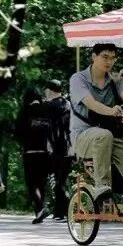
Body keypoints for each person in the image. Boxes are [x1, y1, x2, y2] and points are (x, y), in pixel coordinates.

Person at [69, 43, 123, 230]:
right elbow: (90, 103)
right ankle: (101, 186)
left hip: (112, 137)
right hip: (83, 137)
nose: (109, 61)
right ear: (93, 56)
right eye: (105, 56)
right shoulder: (78, 79)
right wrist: (112, 110)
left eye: (112, 58)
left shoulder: (115, 80)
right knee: (103, 135)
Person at [16, 86, 52, 223]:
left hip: (30, 152)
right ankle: (39, 213)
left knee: (32, 184)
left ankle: (40, 208)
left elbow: (18, 132)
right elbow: (51, 131)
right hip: (44, 153)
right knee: (41, 183)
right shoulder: (46, 110)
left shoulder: (24, 111)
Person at [44, 78, 72, 220]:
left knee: (58, 180)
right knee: (62, 179)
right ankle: (59, 212)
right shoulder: (69, 104)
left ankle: (67, 211)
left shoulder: (48, 107)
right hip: (69, 146)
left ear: (49, 90)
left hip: (56, 146)